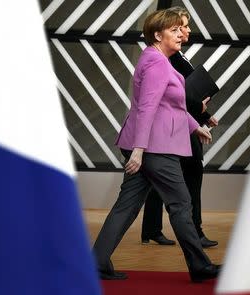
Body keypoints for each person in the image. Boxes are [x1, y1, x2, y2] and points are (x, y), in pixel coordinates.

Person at [92, 9, 220, 283]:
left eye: (181, 30)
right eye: (175, 30)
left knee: (126, 205)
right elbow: (147, 108)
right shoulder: (157, 63)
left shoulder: (158, 60)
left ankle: (98, 262)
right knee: (181, 203)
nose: (182, 35)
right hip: (155, 148)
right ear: (158, 34)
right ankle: (200, 266)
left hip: (152, 146)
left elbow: (169, 105)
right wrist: (139, 149)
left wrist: (194, 126)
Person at [141, 6, 219, 248]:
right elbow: (174, 97)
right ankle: (193, 232)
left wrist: (204, 115)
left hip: (186, 122)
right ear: (160, 33)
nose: (185, 31)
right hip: (177, 126)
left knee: (159, 181)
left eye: (183, 26)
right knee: (187, 179)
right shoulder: (165, 57)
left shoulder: (176, 55)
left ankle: (154, 229)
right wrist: (200, 111)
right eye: (180, 26)